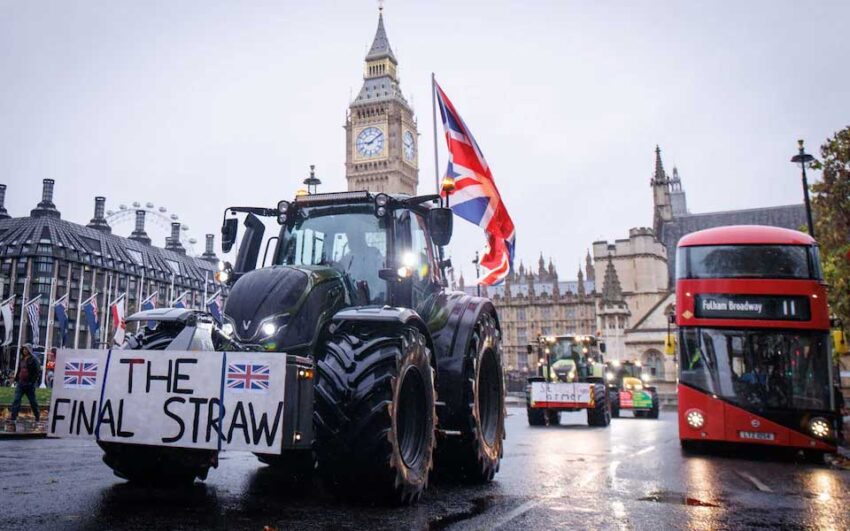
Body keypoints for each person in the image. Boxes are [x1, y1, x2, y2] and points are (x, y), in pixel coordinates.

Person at [10, 344, 41, 426]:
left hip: (29, 384)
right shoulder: (22, 359)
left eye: (26, 349)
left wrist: (32, 381)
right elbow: (20, 370)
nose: (24, 351)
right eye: (23, 349)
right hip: (21, 383)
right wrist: (16, 379)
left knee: (32, 401)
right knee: (16, 399)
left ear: (29, 350)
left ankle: (37, 416)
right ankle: (13, 417)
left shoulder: (33, 360)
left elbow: (37, 372)